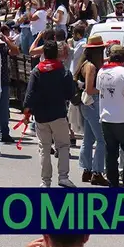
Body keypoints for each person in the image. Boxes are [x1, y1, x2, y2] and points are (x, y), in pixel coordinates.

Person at [22, 40, 76, 187]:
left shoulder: (37, 70)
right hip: (58, 113)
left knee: (44, 148)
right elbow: (70, 93)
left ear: (44, 53)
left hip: (40, 116)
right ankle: (63, 177)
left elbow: (30, 94)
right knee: (63, 146)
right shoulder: (64, 71)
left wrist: (26, 112)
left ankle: (45, 181)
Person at [96, 45, 124, 188]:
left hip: (107, 119)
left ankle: (112, 183)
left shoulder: (101, 71)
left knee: (111, 152)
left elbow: (99, 91)